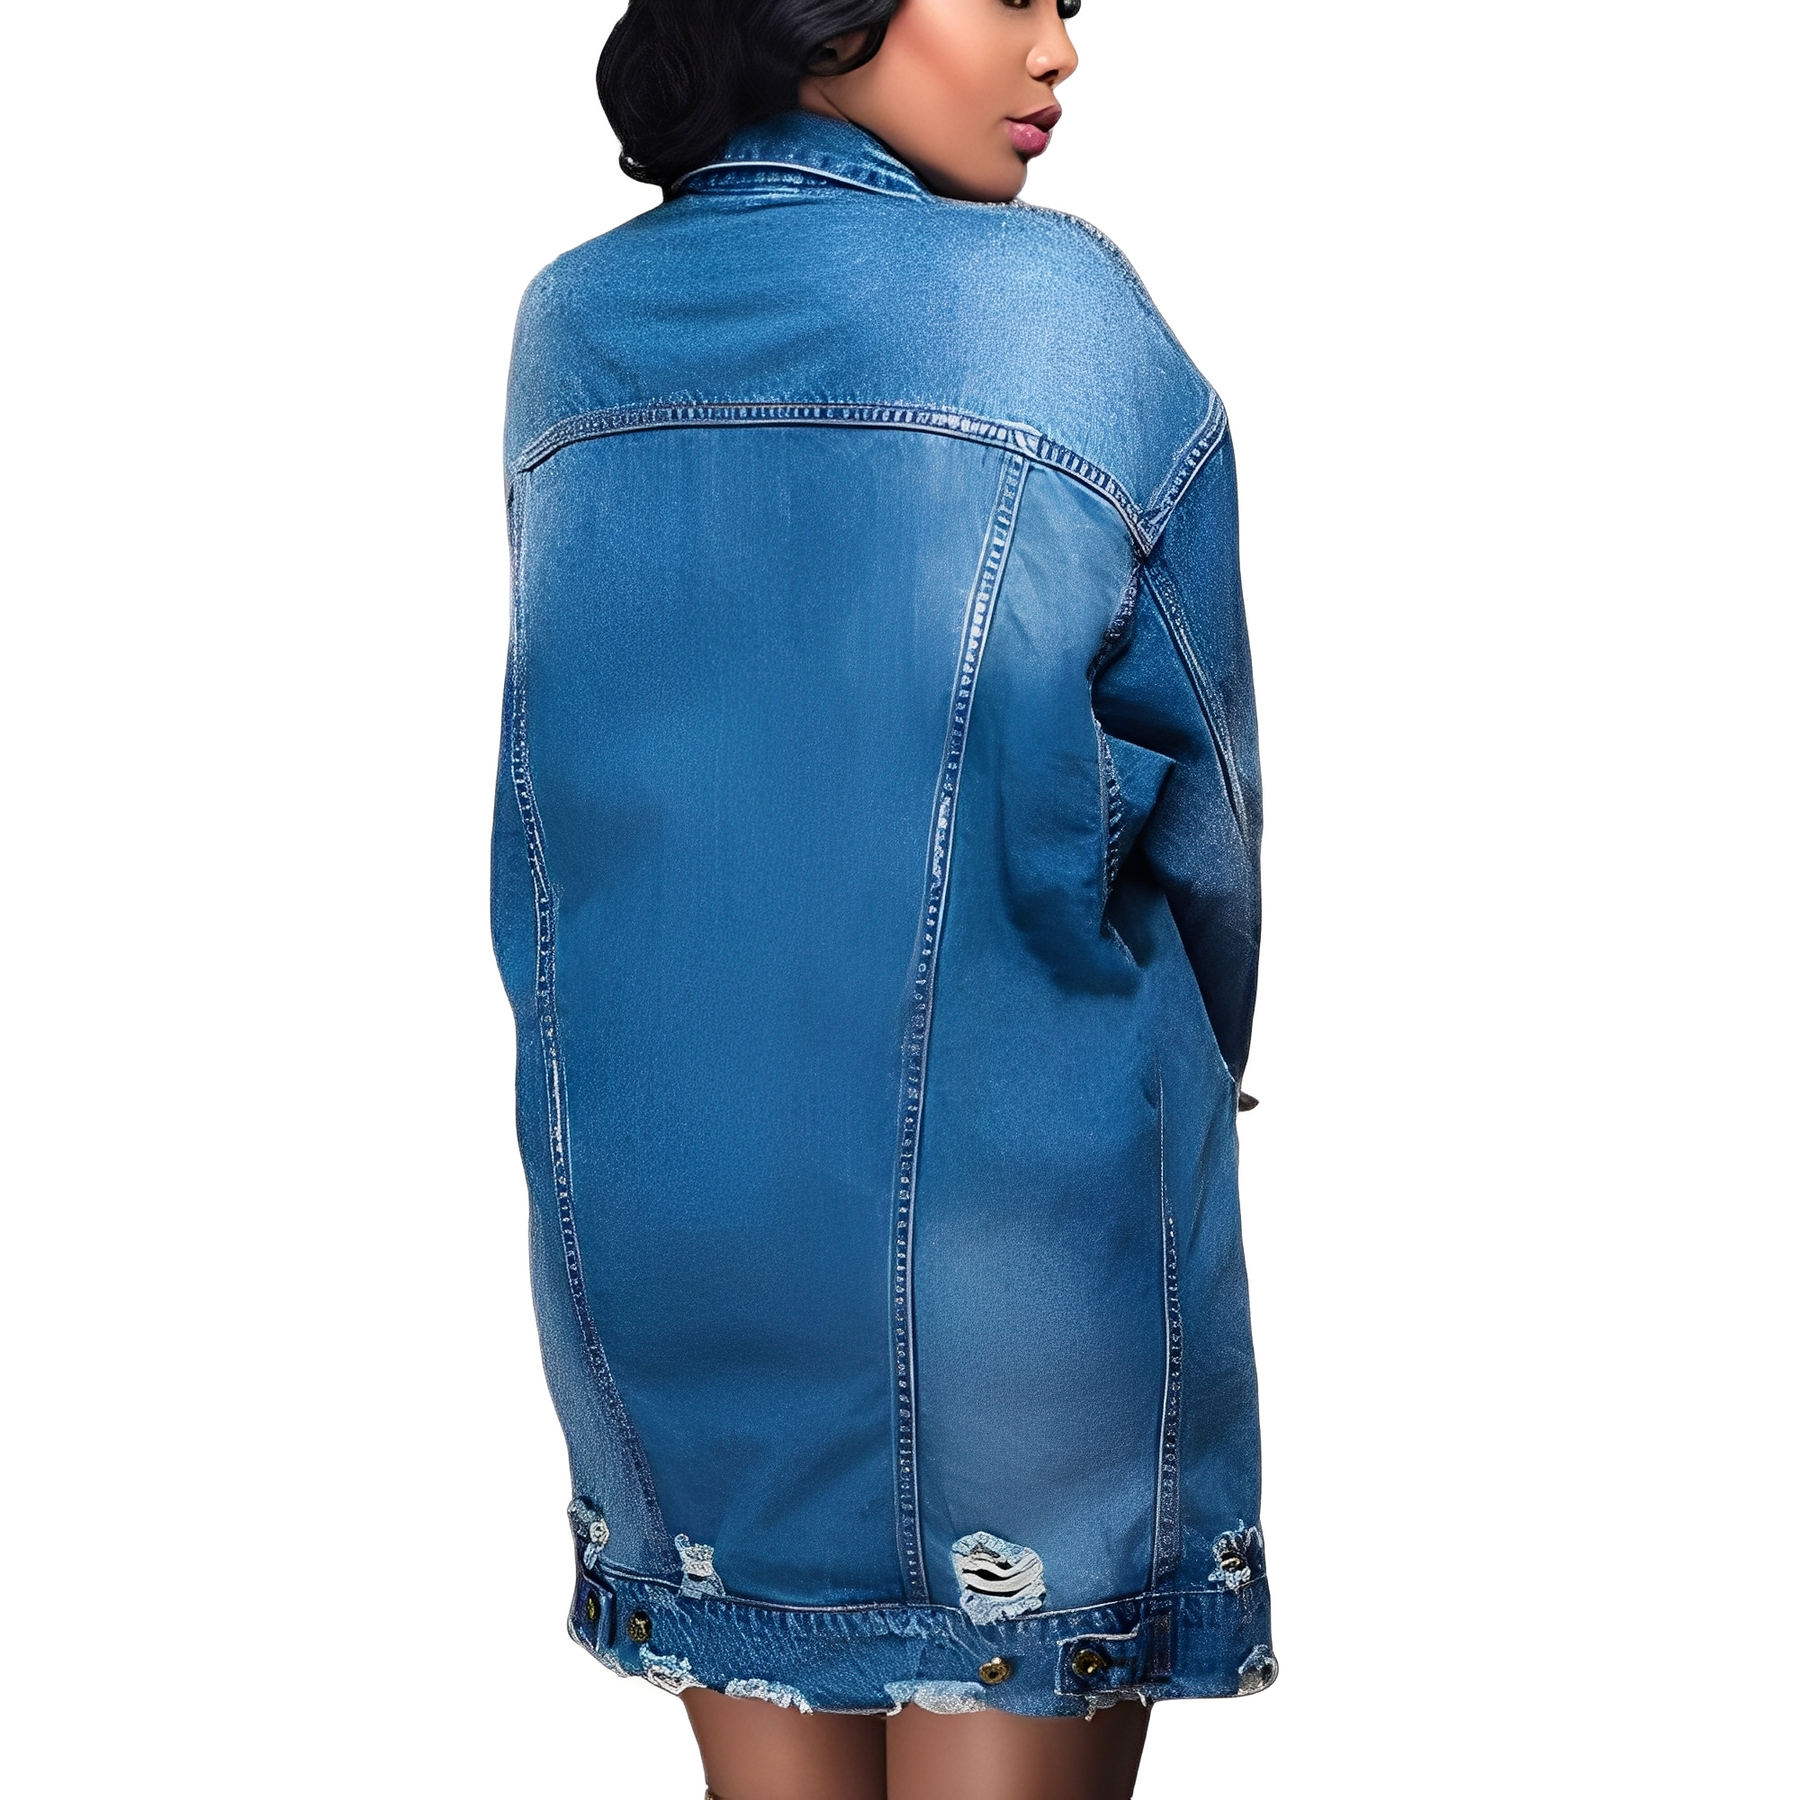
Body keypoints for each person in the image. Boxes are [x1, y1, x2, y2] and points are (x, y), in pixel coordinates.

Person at [491, 2, 1272, 1794]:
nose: (1058, 52)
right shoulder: (1055, 311)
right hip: (1013, 1243)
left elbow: (567, 784)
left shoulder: (572, 328)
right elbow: (1205, 808)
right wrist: (1200, 1073)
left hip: (661, 1229)